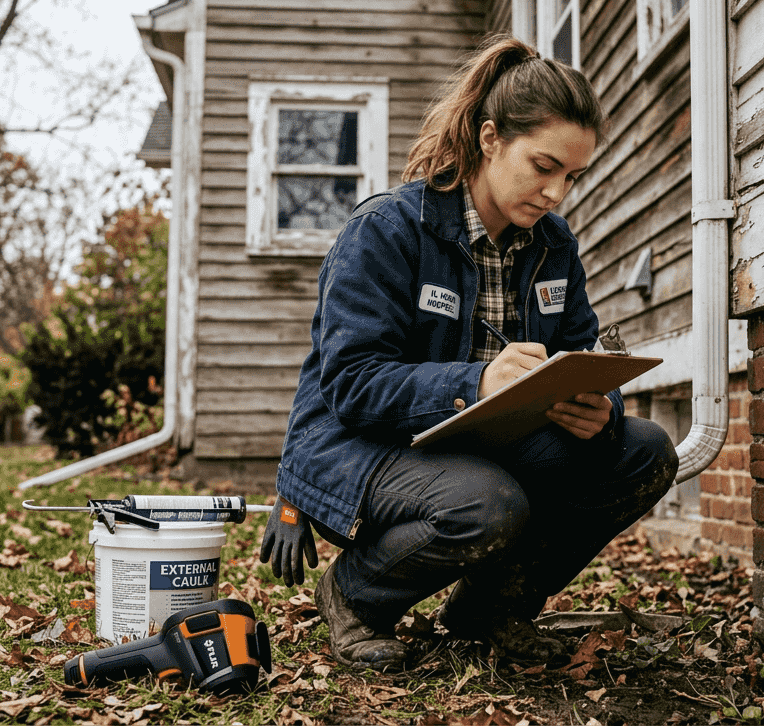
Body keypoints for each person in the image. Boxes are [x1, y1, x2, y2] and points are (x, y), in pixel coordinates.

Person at [259, 33, 679, 671]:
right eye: (544, 167)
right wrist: (478, 381)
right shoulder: (387, 231)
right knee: (486, 503)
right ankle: (354, 595)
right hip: (363, 447)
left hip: (479, 448)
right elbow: (351, 384)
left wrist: (604, 408)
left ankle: (489, 608)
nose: (557, 193)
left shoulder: (551, 245)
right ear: (491, 140)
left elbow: (578, 349)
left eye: (572, 176)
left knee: (643, 450)